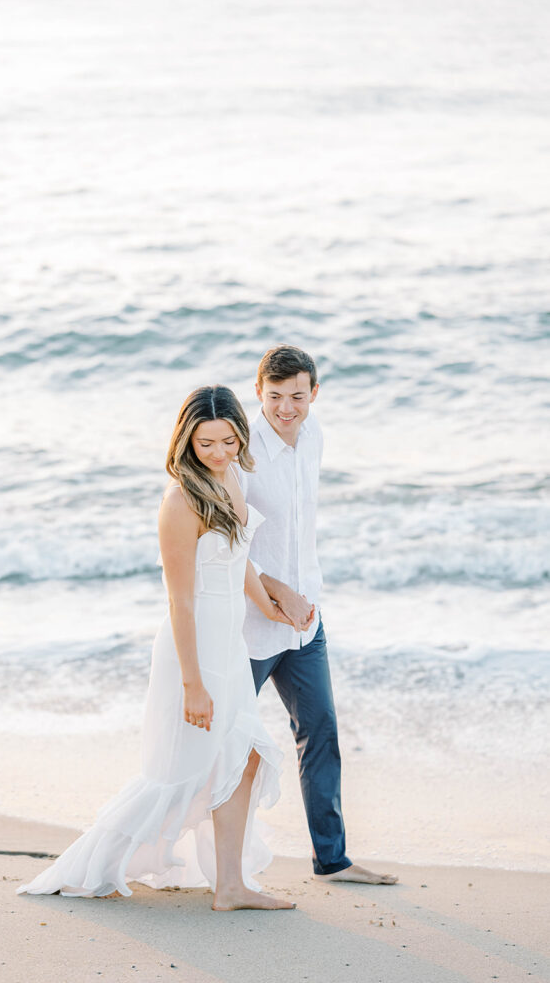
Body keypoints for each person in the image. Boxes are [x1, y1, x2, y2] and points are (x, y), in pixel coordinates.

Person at [17, 385, 297, 911]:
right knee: (178, 773)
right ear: (185, 441)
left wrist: (266, 604)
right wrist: (192, 683)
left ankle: (230, 885)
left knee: (243, 758)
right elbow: (181, 603)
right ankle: (89, 867)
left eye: (229, 440)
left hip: (228, 646)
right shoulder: (180, 501)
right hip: (194, 652)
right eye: (206, 443)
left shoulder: (233, 477)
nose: (219, 452)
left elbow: (238, 563)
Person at [241, 345, 398, 886]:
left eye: (298, 396)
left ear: (314, 394)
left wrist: (304, 596)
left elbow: (298, 530)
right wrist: (277, 592)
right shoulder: (241, 448)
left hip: (305, 621)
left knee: (321, 731)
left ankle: (332, 860)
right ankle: (193, 854)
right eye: (276, 396)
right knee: (222, 742)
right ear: (259, 391)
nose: (287, 408)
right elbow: (230, 539)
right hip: (250, 621)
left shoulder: (315, 437)